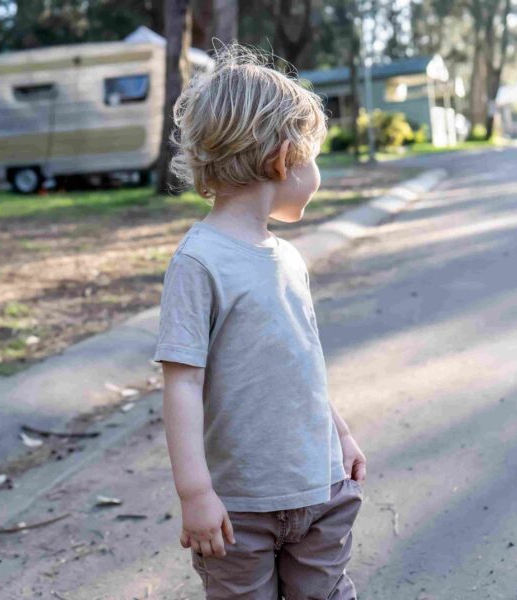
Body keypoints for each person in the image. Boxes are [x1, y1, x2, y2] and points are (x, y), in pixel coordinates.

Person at [154, 45, 366, 599]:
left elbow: (300, 363)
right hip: (240, 509)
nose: (316, 173)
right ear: (283, 157)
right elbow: (182, 383)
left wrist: (340, 434)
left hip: (319, 489)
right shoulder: (199, 263)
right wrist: (195, 493)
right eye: (313, 158)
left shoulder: (288, 257)